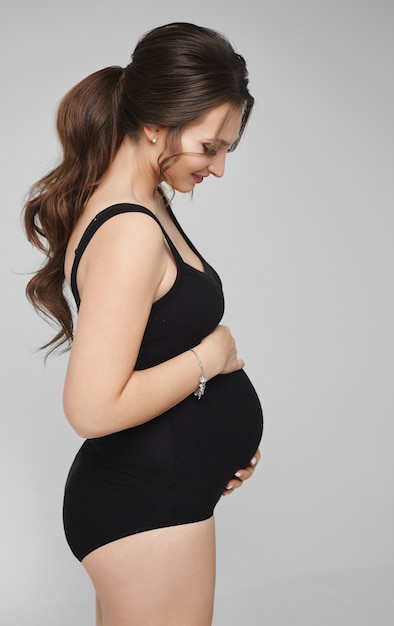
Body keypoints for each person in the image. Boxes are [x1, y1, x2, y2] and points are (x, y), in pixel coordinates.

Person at [23, 22, 263, 626]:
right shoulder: (130, 229)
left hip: (160, 499)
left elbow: (154, 354)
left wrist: (220, 438)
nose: (220, 168)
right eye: (211, 146)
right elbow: (93, 408)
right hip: (143, 509)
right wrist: (212, 360)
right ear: (155, 124)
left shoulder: (147, 203)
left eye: (228, 148)